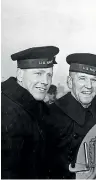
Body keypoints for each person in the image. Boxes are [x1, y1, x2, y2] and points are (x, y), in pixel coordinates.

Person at [43, 53, 96, 179]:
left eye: (94, 80)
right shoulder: (50, 115)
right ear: (70, 82)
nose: (89, 86)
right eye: (82, 78)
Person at [1, 46, 59, 178]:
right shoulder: (7, 111)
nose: (45, 81)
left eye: (49, 75)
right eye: (38, 73)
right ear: (20, 74)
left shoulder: (34, 107)